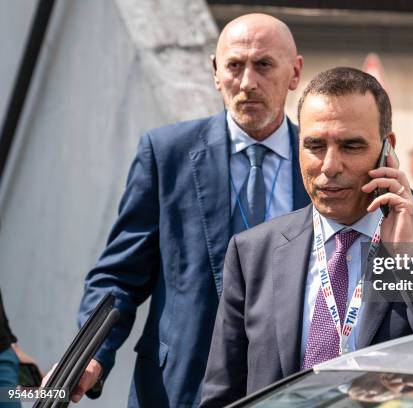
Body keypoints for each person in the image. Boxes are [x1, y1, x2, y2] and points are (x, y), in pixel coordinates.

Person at [200, 67, 413, 407]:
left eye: (350, 145)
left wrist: (410, 259)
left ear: (389, 148)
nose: (329, 166)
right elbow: (222, 393)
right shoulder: (252, 251)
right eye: (314, 145)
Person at [67, 13, 309, 408]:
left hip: (292, 390)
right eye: (234, 65)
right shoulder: (167, 154)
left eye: (264, 64)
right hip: (178, 388)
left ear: (294, 72)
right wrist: (91, 353)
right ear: (216, 72)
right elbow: (120, 275)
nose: (247, 82)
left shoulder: (322, 164)